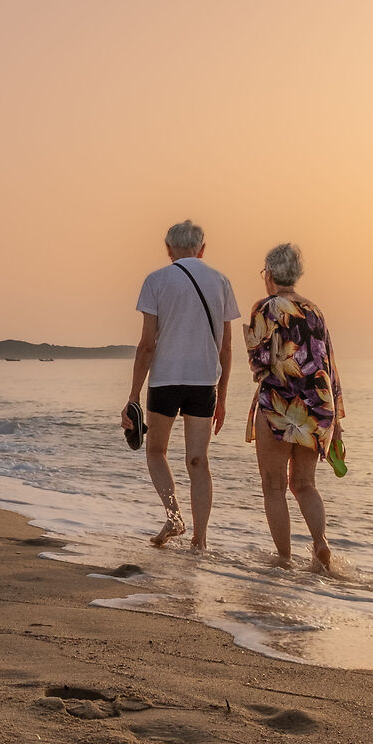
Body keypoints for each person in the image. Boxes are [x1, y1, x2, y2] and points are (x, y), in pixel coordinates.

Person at [123, 220, 237, 549]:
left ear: (168, 248)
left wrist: (132, 394)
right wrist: (223, 396)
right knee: (198, 460)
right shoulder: (221, 281)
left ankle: (174, 517)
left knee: (157, 451)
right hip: (204, 382)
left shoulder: (156, 281)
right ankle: (200, 542)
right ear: (202, 249)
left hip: (165, 379)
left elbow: (147, 345)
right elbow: (227, 347)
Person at [244, 242, 342, 571]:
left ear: (269, 273)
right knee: (304, 484)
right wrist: (337, 418)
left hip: (280, 402)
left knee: (274, 485)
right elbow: (328, 362)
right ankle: (320, 544)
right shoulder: (315, 310)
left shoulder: (267, 307)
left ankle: (284, 559)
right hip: (318, 403)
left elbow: (260, 363)